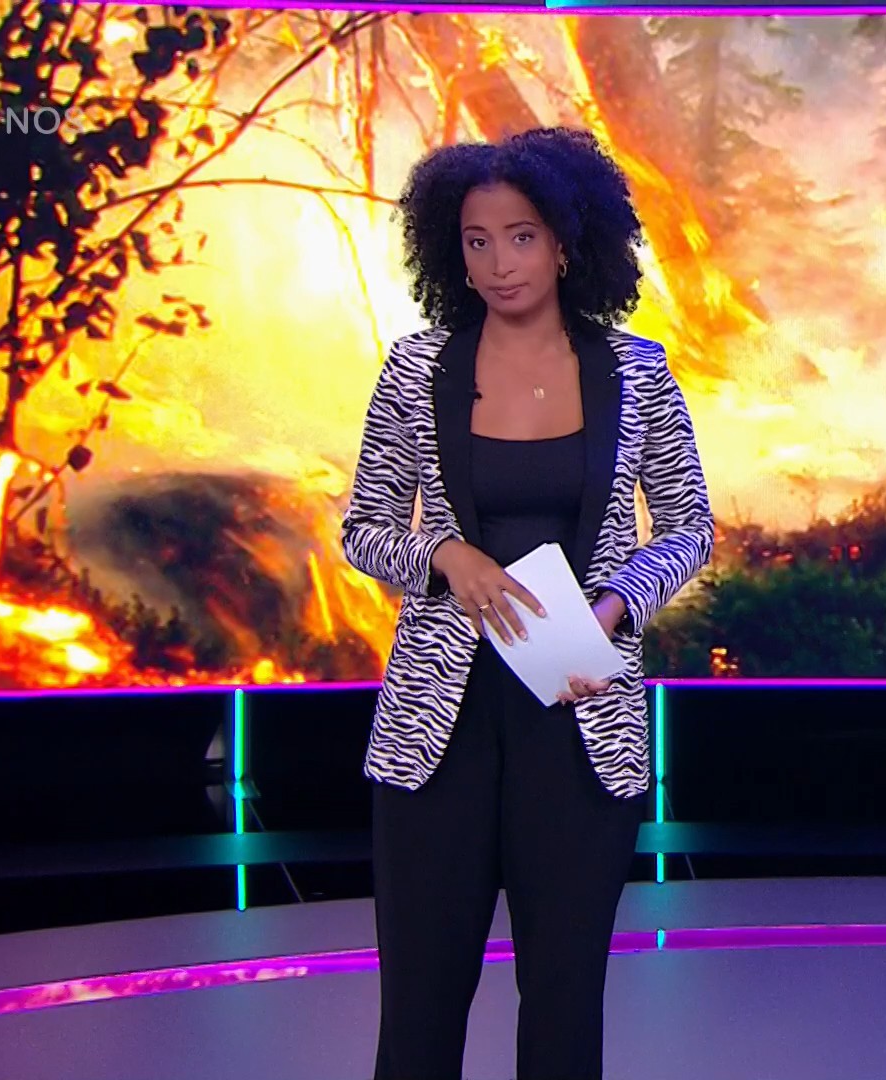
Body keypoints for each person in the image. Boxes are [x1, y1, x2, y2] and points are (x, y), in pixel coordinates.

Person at [341, 127, 715, 1080]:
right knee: (420, 1002)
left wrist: (616, 606)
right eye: (476, 240)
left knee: (563, 998)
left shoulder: (637, 372)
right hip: (439, 726)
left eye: (520, 237)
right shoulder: (416, 369)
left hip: (579, 714)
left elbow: (688, 527)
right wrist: (444, 555)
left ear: (565, 244)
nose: (498, 263)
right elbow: (365, 529)